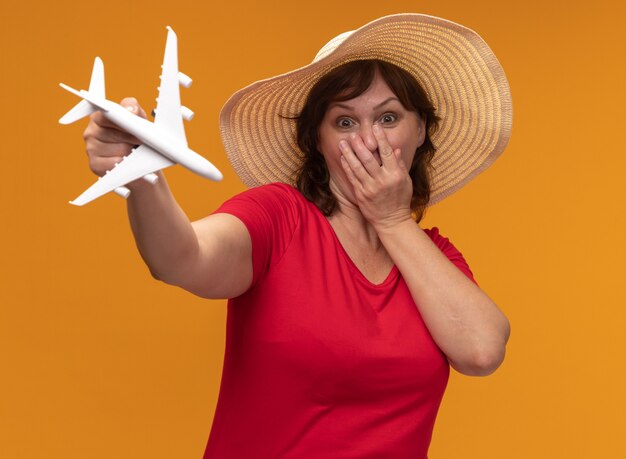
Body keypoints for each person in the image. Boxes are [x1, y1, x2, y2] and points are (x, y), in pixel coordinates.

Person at [82, 14, 511, 459]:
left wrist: (392, 220)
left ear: (420, 130)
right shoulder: (279, 217)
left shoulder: (435, 257)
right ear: (317, 140)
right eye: (344, 123)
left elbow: (481, 352)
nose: (368, 140)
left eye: (388, 117)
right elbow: (181, 258)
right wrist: (145, 175)